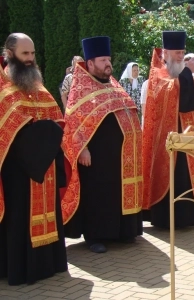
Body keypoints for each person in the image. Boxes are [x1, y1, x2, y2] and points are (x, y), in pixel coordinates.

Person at [62, 36, 143, 253]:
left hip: (120, 155)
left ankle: (123, 232)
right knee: (98, 195)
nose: (108, 63)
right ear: (90, 64)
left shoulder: (113, 84)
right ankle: (95, 236)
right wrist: (82, 148)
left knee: (115, 192)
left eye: (109, 59)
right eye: (103, 60)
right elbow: (73, 122)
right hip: (95, 157)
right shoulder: (81, 90)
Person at [0, 33, 67, 285]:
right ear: (9, 53)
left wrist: (49, 134)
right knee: (19, 218)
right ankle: (20, 269)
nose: (30, 59)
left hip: (45, 167)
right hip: (16, 172)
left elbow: (56, 118)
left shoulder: (38, 86)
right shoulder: (3, 89)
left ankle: (50, 264)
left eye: (33, 53)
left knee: (48, 213)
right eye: (24, 53)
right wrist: (45, 132)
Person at [142, 31, 194, 229]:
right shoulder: (158, 74)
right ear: (165, 53)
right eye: (177, 53)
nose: (180, 56)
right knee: (174, 177)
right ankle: (167, 219)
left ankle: (191, 217)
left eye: (182, 52)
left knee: (187, 178)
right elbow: (174, 98)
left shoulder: (185, 74)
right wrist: (187, 74)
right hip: (167, 141)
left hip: (189, 136)